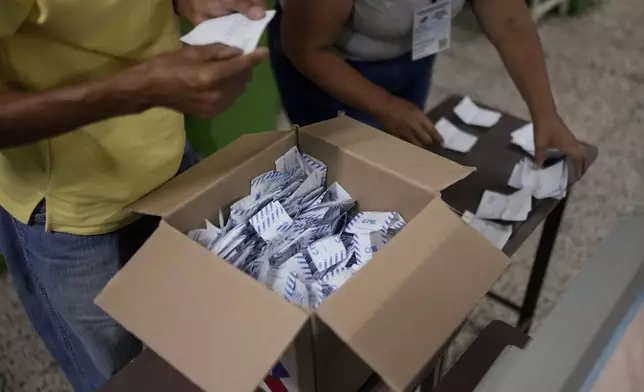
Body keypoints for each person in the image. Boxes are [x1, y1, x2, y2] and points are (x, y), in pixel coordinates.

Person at [0, 0, 267, 391]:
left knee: (204, 327)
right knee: (124, 374)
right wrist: (140, 90)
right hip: (72, 212)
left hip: (164, 149)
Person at [268, 0, 588, 176]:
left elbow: (510, 22)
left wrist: (545, 112)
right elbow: (306, 49)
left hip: (413, 53)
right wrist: (385, 105)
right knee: (343, 180)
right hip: (328, 67)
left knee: (401, 156)